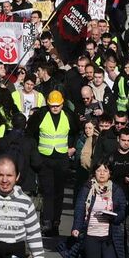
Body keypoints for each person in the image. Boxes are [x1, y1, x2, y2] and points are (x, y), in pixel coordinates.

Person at [71, 161, 128, 258]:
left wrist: (115, 217)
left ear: (110, 173)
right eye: (98, 170)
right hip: (91, 234)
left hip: (109, 236)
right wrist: (76, 227)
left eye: (105, 170)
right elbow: (80, 208)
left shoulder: (116, 190)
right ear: (94, 173)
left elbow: (123, 209)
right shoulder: (88, 188)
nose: (102, 173)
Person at [27, 90, 77, 236]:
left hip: (62, 158)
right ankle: (47, 223)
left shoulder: (68, 115)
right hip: (45, 159)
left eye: (58, 105)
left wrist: (72, 147)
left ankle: (56, 223)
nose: (55, 108)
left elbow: (75, 131)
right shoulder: (41, 114)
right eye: (52, 105)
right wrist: (35, 152)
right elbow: (30, 133)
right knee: (47, 192)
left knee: (59, 193)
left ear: (62, 104)